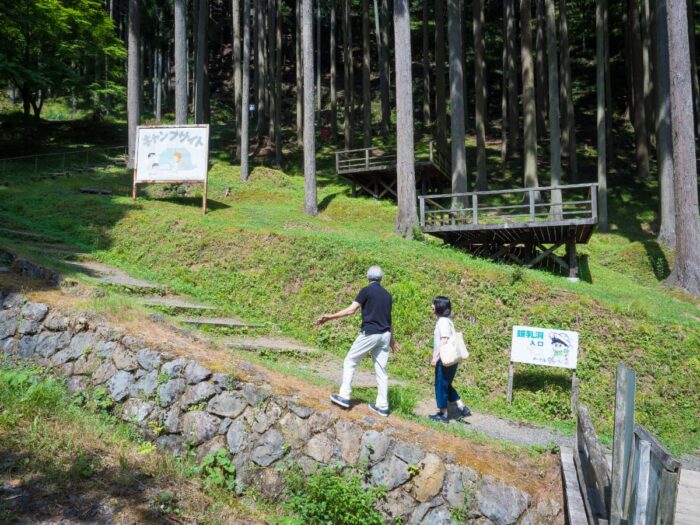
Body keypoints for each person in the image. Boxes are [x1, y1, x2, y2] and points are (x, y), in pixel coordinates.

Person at [316, 266, 398, 417]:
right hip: (385, 335)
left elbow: (350, 310)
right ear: (381, 278)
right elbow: (389, 320)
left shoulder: (366, 290)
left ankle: (344, 396)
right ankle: (383, 406)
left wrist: (329, 317)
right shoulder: (388, 295)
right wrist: (392, 340)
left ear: (368, 277)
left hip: (370, 333)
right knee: (381, 370)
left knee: (350, 361)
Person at [430, 296, 471, 423]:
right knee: (446, 384)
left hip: (444, 358)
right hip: (452, 358)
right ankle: (461, 407)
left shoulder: (442, 321)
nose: (432, 306)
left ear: (440, 307)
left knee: (440, 384)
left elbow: (444, 339)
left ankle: (443, 414)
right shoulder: (448, 320)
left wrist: (435, 357)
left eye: (434, 304)